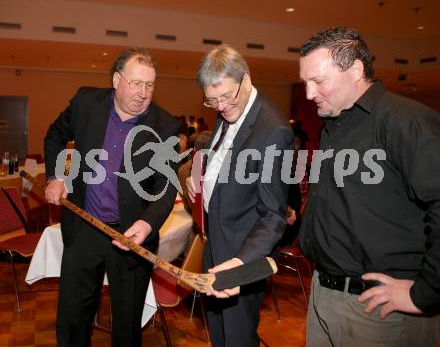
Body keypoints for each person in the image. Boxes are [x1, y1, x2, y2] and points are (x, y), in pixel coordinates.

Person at [298, 27, 440, 346]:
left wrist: (425, 294)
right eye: (305, 82)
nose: (309, 94)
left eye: (318, 81)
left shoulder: (407, 121)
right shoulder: (335, 124)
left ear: (356, 71)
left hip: (378, 311)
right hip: (324, 294)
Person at [44, 47, 179, 347]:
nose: (144, 93)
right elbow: (54, 134)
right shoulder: (86, 103)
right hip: (84, 228)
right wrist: (55, 177)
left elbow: (165, 186)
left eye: (150, 85)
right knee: (72, 316)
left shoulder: (165, 125)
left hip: (131, 236)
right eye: (136, 83)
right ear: (117, 79)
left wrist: (147, 224)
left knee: (127, 324)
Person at [186, 44, 293, 346]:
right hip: (215, 244)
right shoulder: (229, 109)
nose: (220, 106)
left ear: (246, 80)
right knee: (219, 336)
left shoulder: (274, 131)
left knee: (237, 339)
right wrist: (202, 178)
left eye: (226, 96)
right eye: (211, 100)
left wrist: (240, 263)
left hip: (242, 256)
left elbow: (273, 216)